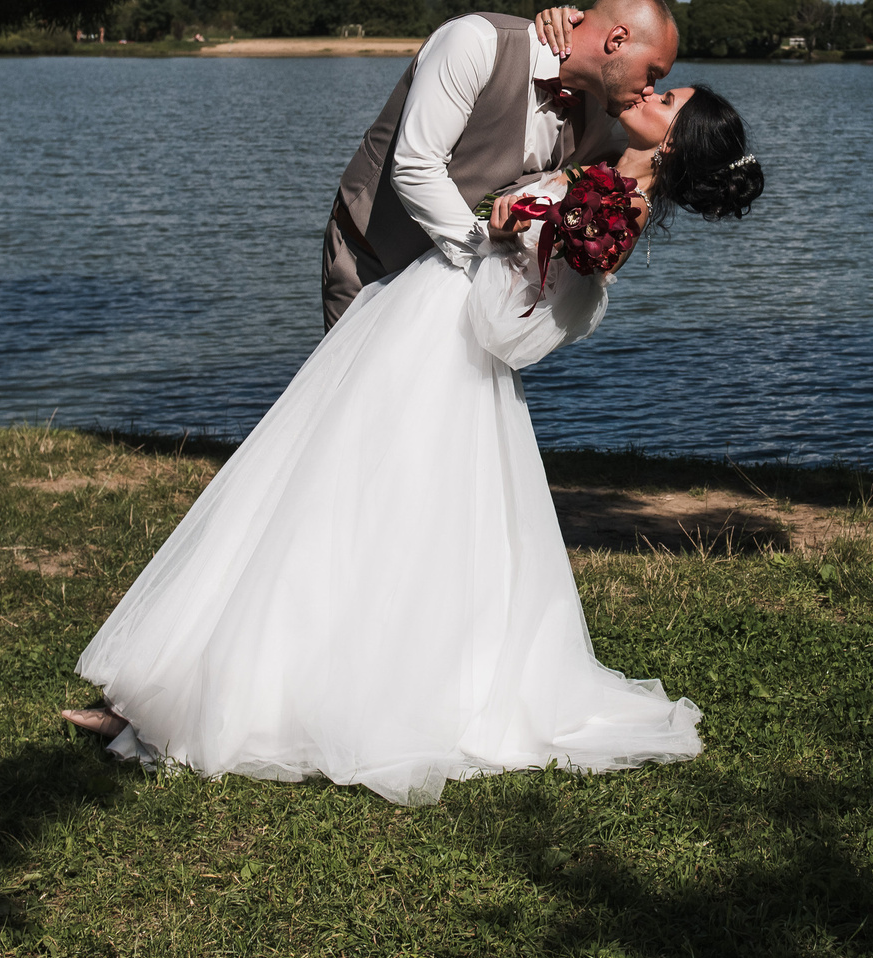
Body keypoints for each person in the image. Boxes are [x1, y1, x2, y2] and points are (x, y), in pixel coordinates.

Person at [60, 76, 764, 805]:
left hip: (448, 341)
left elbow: (561, 277)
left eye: (669, 101)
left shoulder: (623, 206)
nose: (650, 94)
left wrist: (513, 227)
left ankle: (305, 694)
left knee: (382, 498)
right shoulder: (601, 164)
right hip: (419, 312)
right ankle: (183, 688)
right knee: (313, 481)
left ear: (676, 140)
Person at [320, 0, 676, 329]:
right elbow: (415, 167)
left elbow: (657, 157)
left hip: (455, 297)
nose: (650, 90)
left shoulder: (602, 115)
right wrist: (487, 253)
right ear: (617, 40)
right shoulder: (476, 42)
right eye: (653, 73)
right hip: (369, 261)